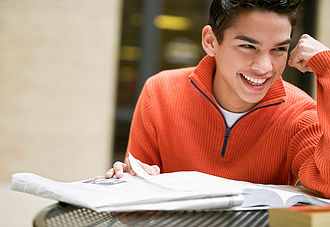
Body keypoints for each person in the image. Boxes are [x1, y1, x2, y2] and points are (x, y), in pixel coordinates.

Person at [106, 0, 330, 198]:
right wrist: (128, 180)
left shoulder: (301, 114)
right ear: (211, 41)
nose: (264, 67)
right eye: (248, 46)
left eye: (279, 49)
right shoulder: (159, 92)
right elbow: (135, 203)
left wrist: (328, 68)